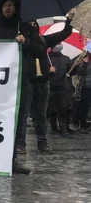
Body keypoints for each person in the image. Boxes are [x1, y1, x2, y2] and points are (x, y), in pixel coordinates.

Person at [0, 0, 44, 175]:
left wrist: (26, 41)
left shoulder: (26, 29)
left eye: (12, 5)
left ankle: (11, 160)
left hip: (21, 84)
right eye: (5, 5)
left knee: (17, 123)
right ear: (0, 8)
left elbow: (40, 50)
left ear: (17, 9)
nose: (8, 8)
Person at [24, 18, 74, 153]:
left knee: (41, 115)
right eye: (30, 25)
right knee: (24, 115)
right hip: (27, 83)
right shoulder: (20, 42)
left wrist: (69, 23)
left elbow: (63, 34)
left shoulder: (44, 40)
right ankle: (21, 145)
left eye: (35, 24)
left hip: (43, 83)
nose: (33, 26)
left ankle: (42, 142)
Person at [48, 43, 76, 137]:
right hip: (50, 86)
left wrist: (75, 66)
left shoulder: (66, 58)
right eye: (58, 44)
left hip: (63, 87)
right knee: (51, 109)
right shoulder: (47, 58)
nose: (60, 45)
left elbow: (71, 72)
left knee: (63, 108)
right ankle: (53, 126)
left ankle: (63, 129)